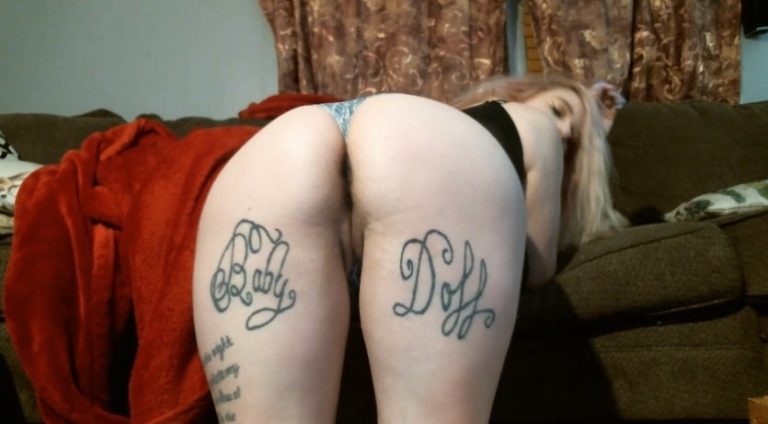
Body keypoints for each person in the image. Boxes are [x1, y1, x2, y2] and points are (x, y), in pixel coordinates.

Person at [191, 75, 628, 423]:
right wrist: (591, 132)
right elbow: (539, 267)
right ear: (521, 93)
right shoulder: (531, 124)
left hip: (276, 151)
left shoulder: (440, 120)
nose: (565, 129)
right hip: (432, 162)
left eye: (576, 137)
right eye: (559, 110)